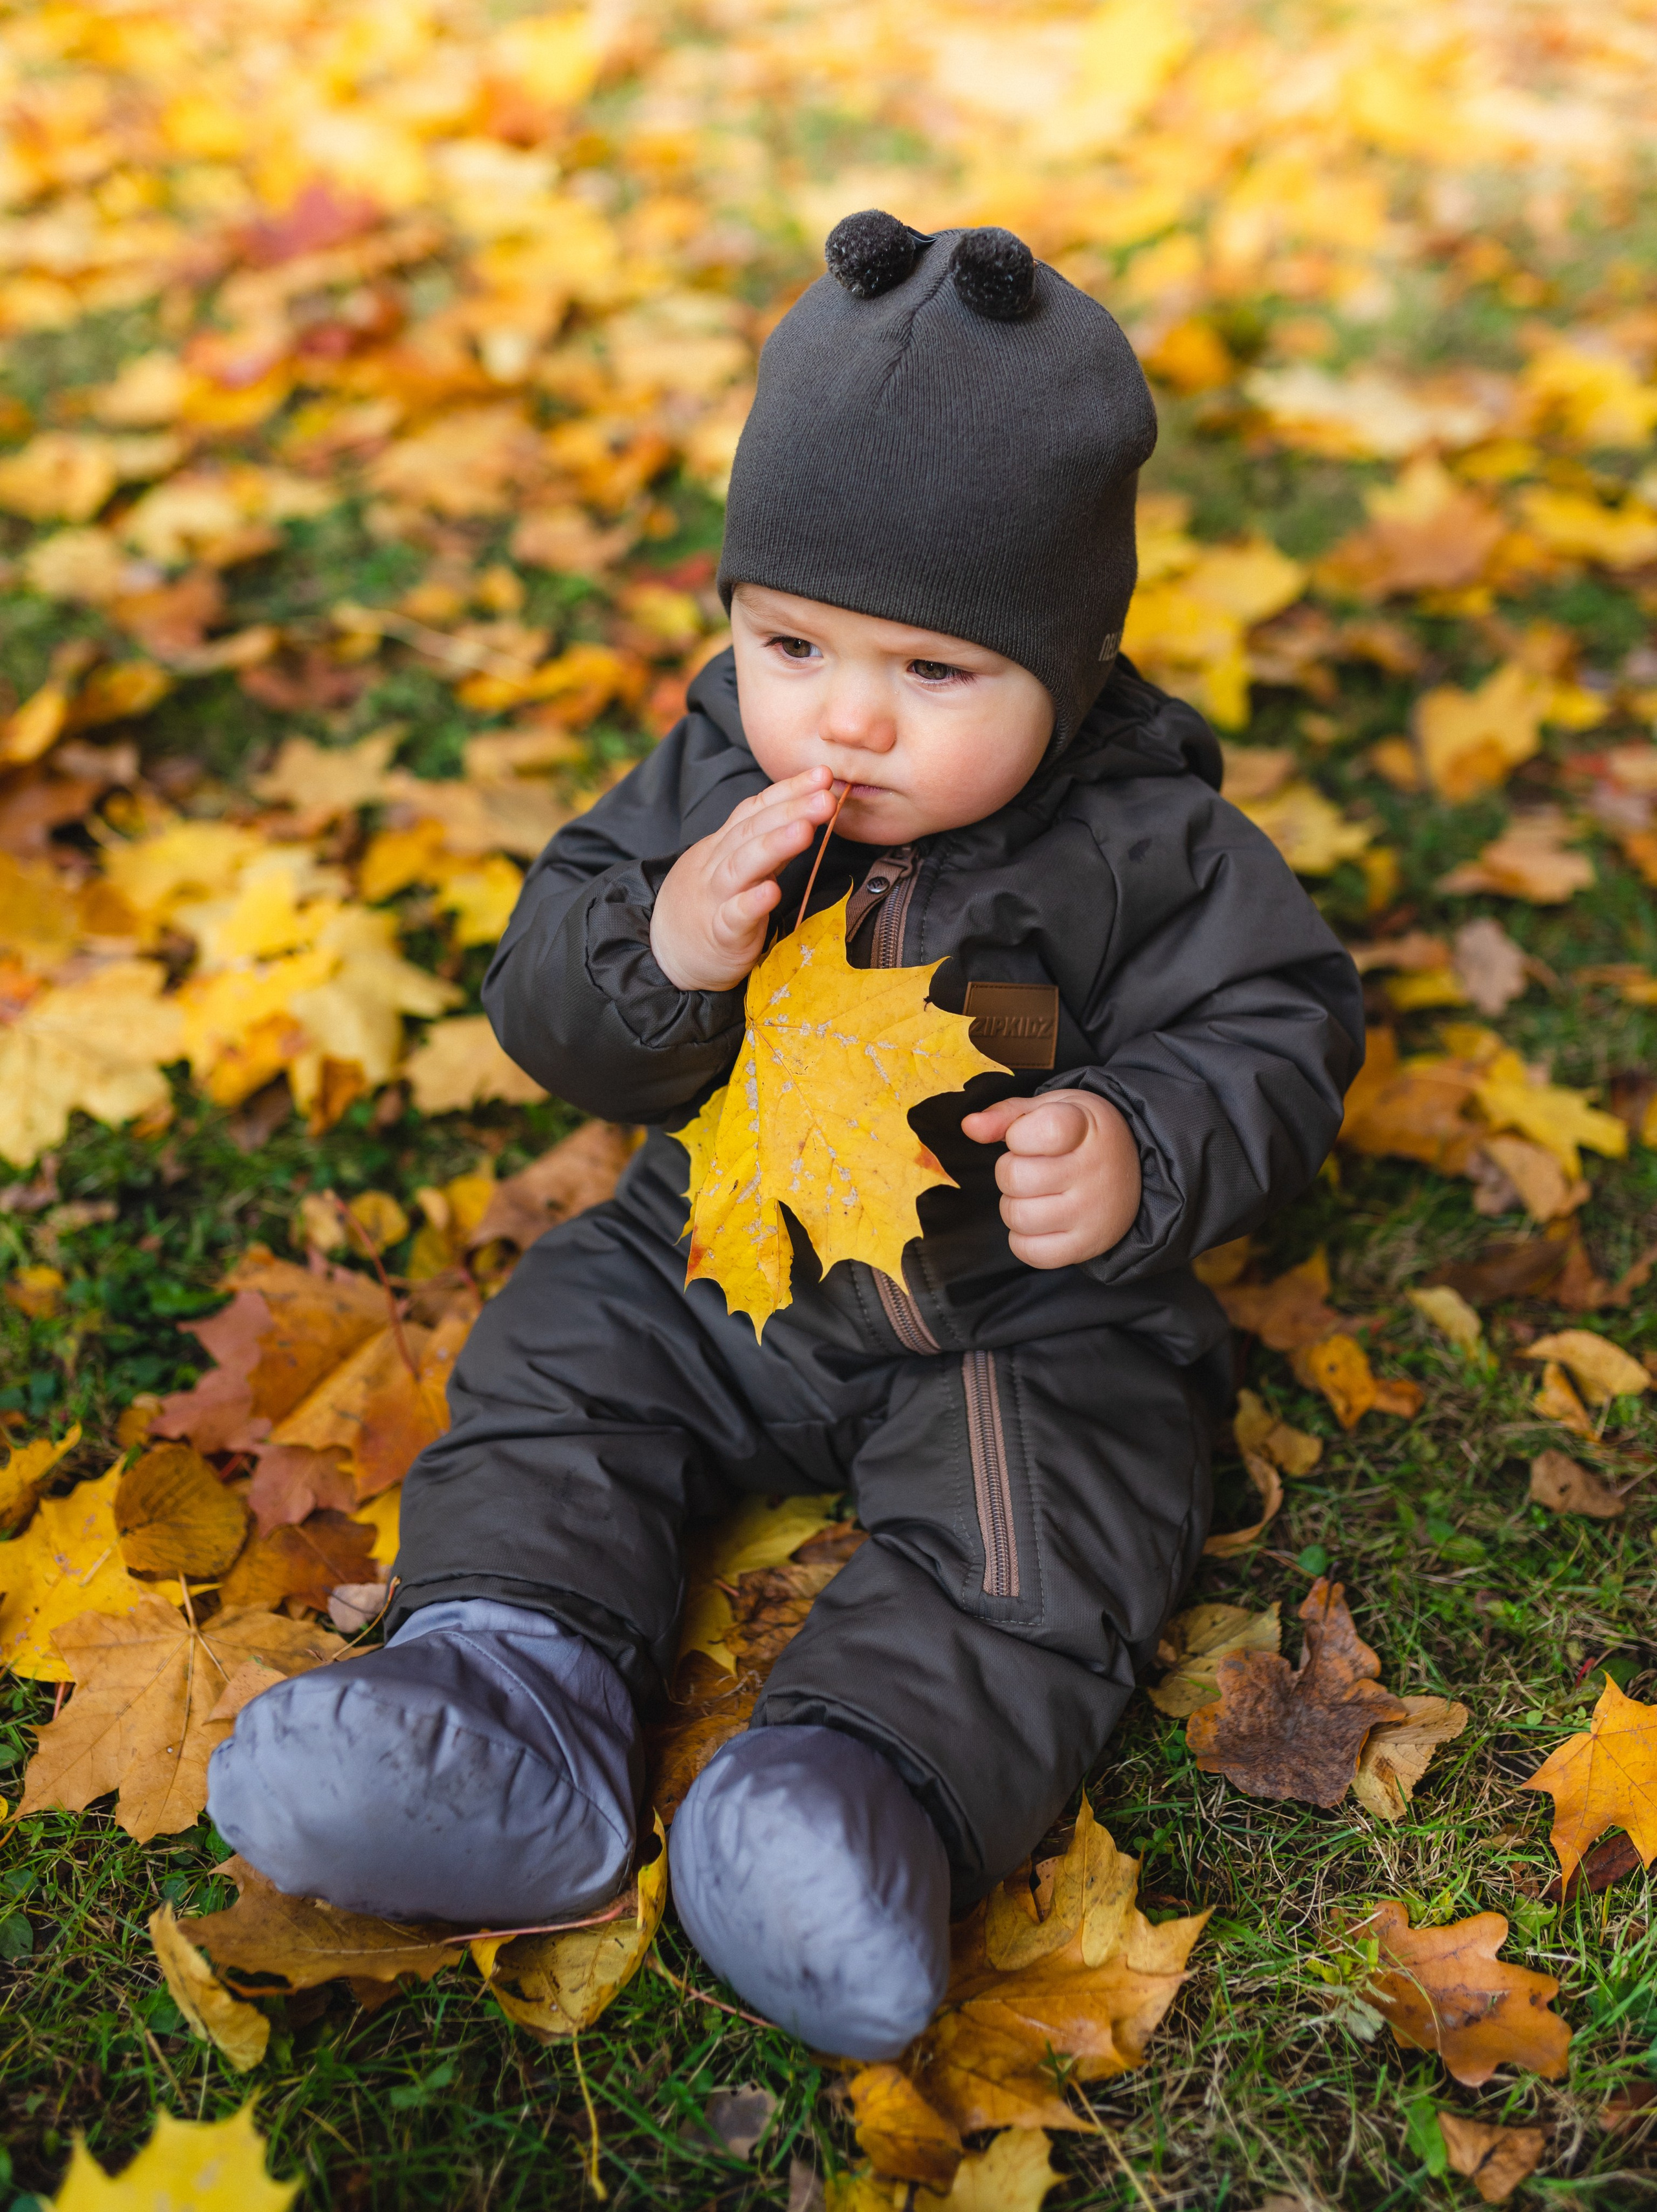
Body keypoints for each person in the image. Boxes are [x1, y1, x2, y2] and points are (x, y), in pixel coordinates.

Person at [208, 212, 1363, 2060]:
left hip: (1015, 1322)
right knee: (565, 1344)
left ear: (1067, 662)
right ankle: (509, 1689)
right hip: (724, 1252)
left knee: (1053, 1518)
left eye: (931, 671)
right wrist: (660, 944)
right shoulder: (717, 783)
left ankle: (853, 1796)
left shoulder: (1152, 844)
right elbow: (545, 989)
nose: (841, 709)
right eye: (791, 638)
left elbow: (1284, 1020)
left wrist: (1146, 1141)